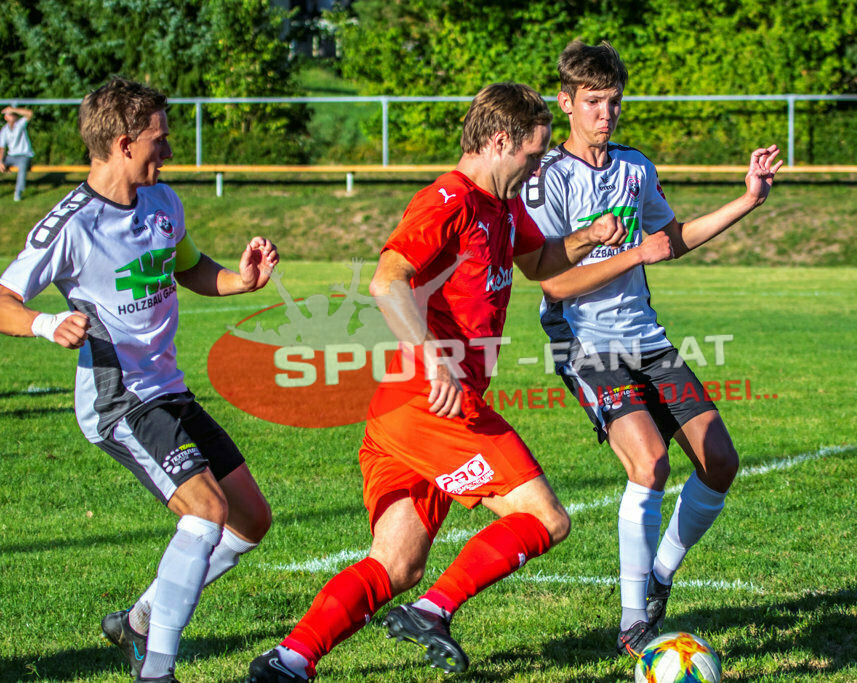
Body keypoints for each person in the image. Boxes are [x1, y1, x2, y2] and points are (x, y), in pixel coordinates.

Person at [246, 81, 626, 681]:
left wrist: (589, 238)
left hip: (401, 413)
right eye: (531, 153)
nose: (536, 166)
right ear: (499, 141)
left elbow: (540, 264)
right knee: (546, 518)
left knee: (396, 565)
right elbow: (386, 281)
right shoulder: (449, 200)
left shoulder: (500, 205)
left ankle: (289, 660)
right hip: (431, 403)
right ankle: (433, 612)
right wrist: (437, 361)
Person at [0, 77, 279, 682]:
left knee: (250, 520)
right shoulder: (69, 225)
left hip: (169, 390)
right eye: (160, 139)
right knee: (205, 512)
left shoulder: (164, 202)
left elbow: (190, 268)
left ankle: (140, 619)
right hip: (118, 398)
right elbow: (3, 298)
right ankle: (156, 670)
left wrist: (243, 279)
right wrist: (46, 323)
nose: (169, 151)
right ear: (125, 143)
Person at [523, 40, 782, 656]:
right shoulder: (547, 180)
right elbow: (553, 281)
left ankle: (661, 574)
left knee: (720, 460)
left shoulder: (635, 168)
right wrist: (633, 253)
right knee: (650, 464)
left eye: (613, 101)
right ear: (566, 104)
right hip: (584, 342)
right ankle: (632, 620)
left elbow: (672, 238)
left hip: (647, 337)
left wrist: (747, 198)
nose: (605, 114)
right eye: (593, 102)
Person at [0, 105, 34, 201]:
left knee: (22, 167)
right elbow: (2, 148)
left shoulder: (20, 124)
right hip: (11, 156)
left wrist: (13, 109)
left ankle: (18, 192)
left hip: (24, 155)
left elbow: (30, 113)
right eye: (9, 115)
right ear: (5, 117)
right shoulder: (4, 130)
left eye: (12, 115)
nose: (10, 116)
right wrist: (1, 162)